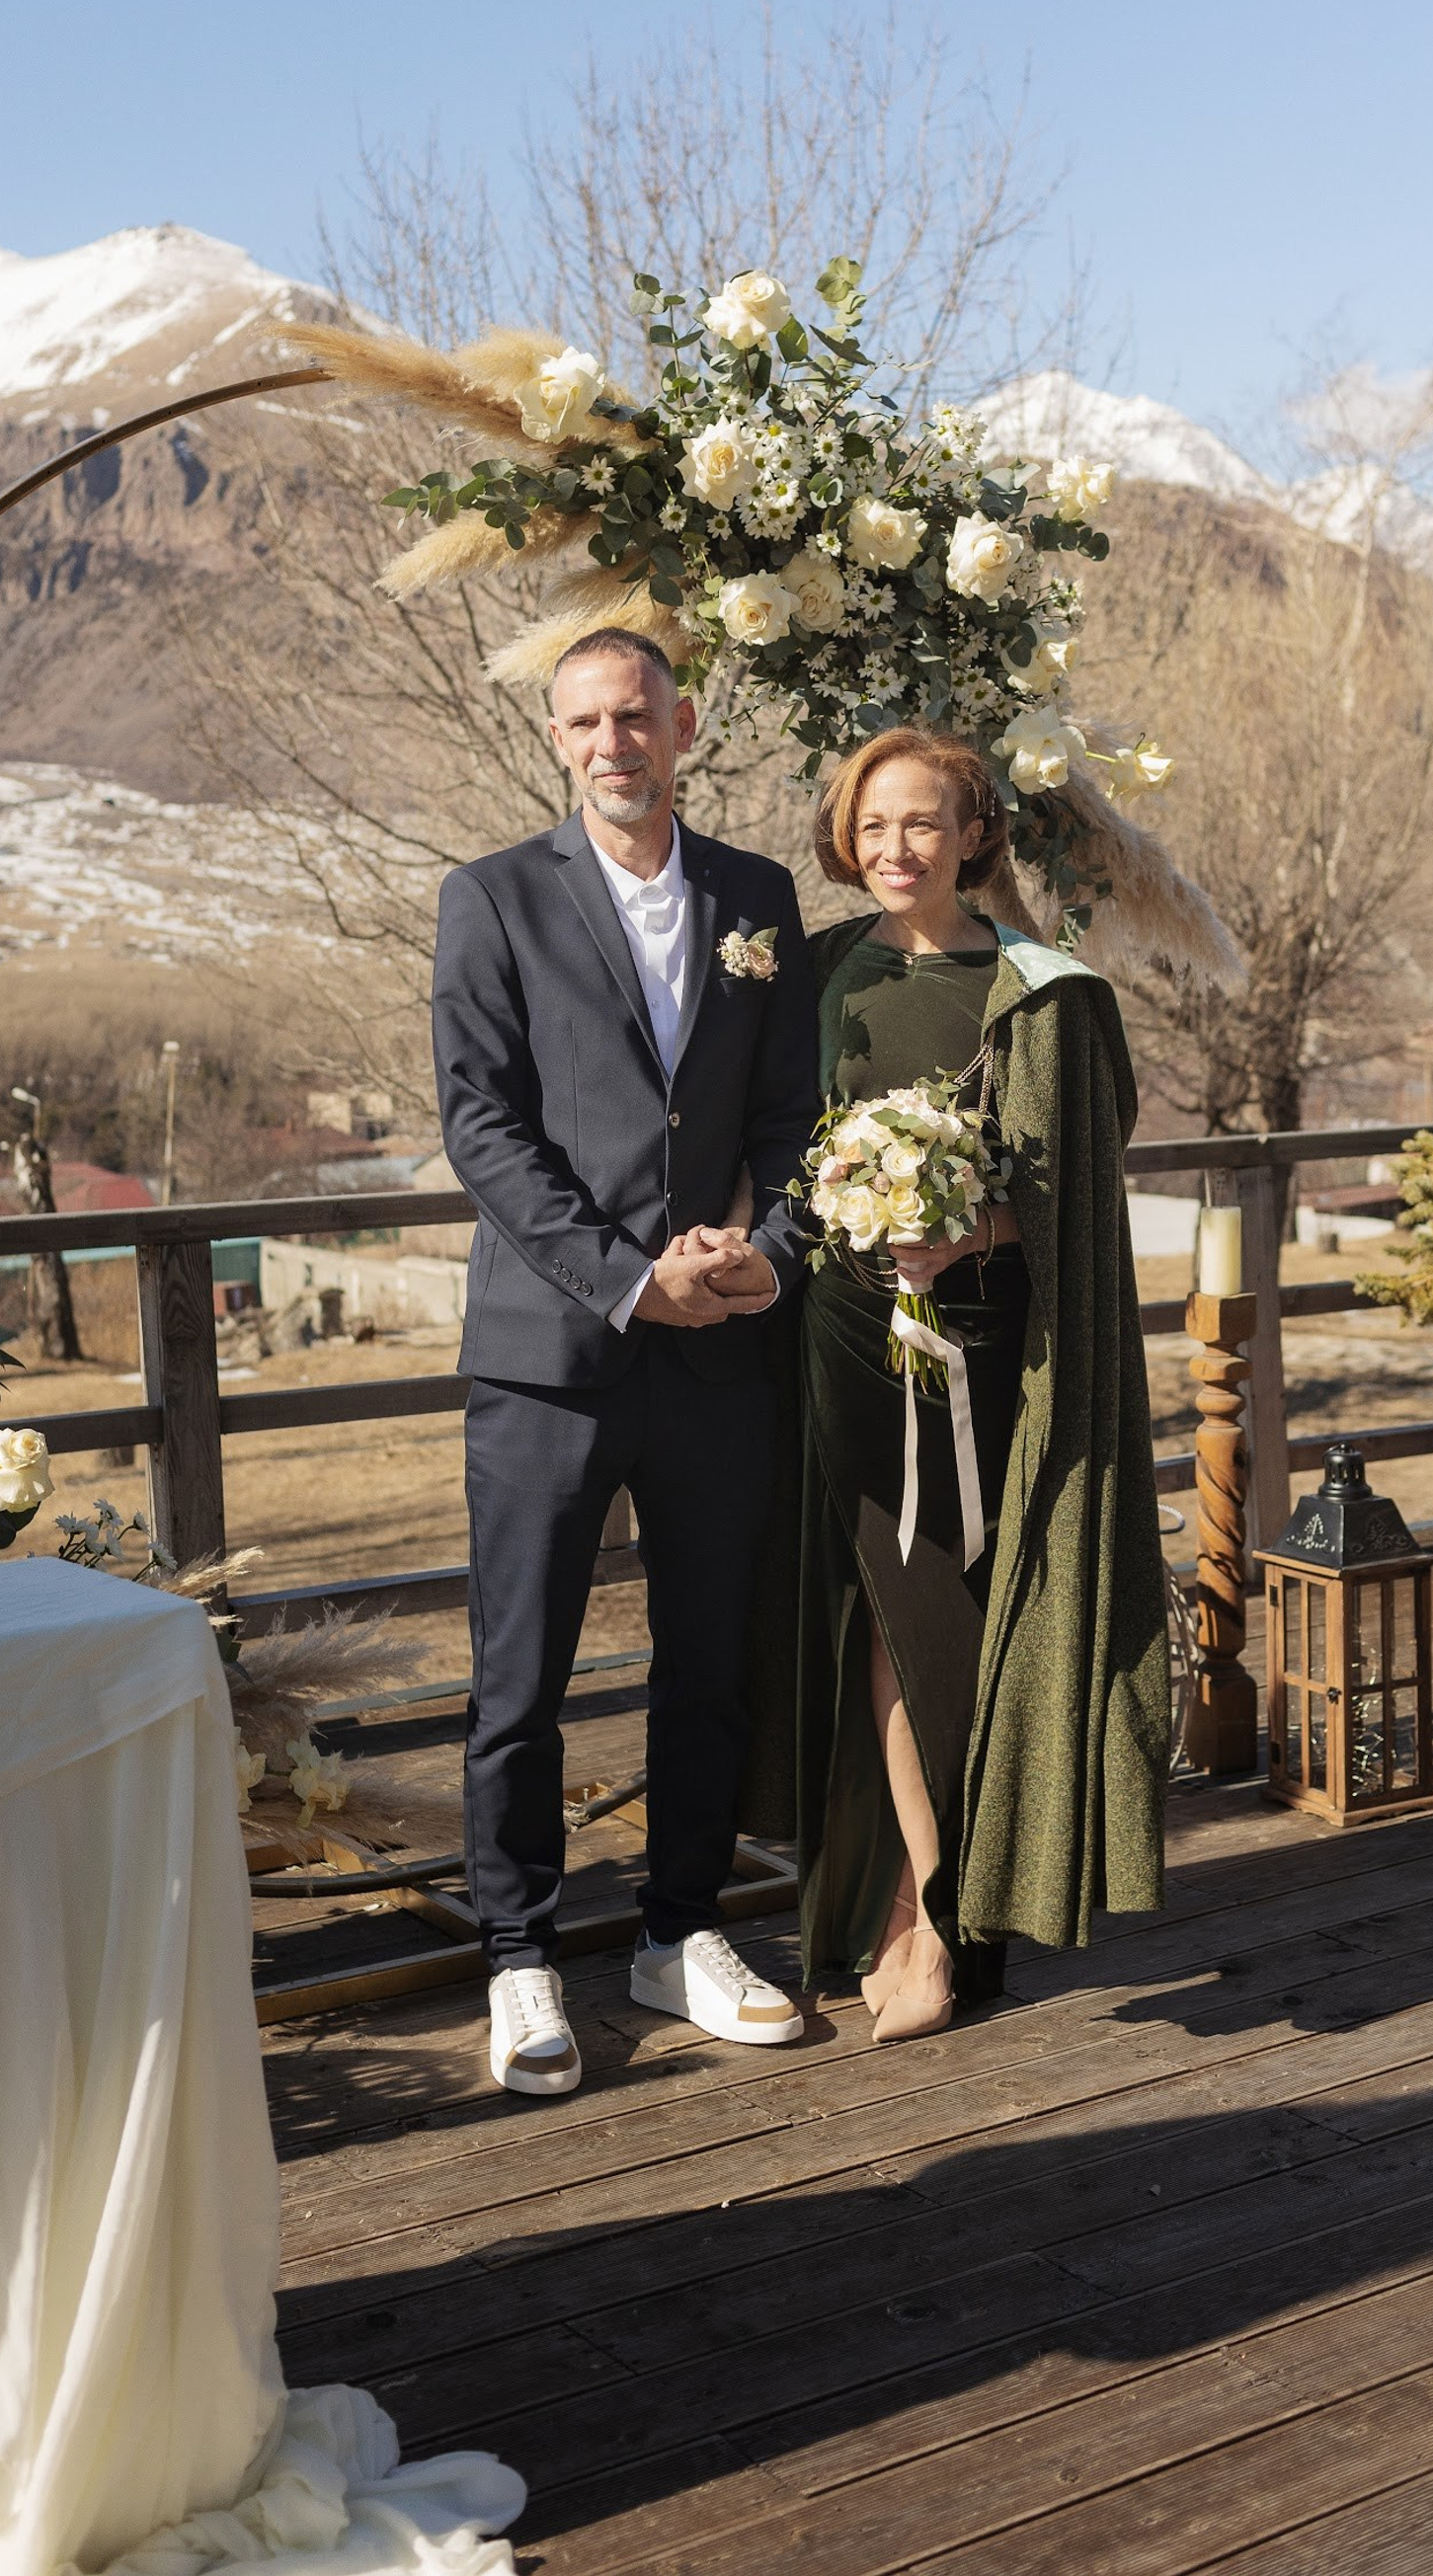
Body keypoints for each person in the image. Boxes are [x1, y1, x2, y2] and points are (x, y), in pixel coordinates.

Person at [729, 727, 1168, 2045]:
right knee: (881, 1618)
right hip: (844, 1344)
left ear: (974, 833)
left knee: (971, 1625)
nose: (895, 847)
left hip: (990, 1357)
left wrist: (973, 1227)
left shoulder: (1041, 992)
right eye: (873, 825)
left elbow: (1078, 1188)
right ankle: (912, 1905)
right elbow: (771, 1146)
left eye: (922, 822)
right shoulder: (816, 974)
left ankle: (957, 1908)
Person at [431, 627, 821, 2098]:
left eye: (638, 715)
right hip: (550, 1353)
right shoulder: (492, 897)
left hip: (718, 1348)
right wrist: (623, 1280)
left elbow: (791, 1115)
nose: (614, 742)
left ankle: (678, 1931)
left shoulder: (757, 898)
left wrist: (768, 1251)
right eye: (587, 721)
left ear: (685, 723)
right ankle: (518, 1952)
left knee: (708, 1659)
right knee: (519, 1675)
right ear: (557, 738)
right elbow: (482, 1127)